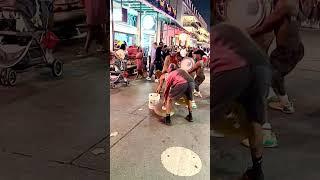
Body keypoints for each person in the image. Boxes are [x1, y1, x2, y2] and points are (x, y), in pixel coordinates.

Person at [212, 23, 272, 180]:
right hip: (263, 68)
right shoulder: (234, 27)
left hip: (233, 68)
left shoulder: (212, 33)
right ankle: (257, 172)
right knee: (255, 122)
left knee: (207, 115)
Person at [248, 0, 304, 114]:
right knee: (274, 74)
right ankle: (278, 98)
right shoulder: (292, 3)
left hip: (287, 52)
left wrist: (245, 33)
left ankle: (286, 105)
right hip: (294, 49)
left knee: (273, 75)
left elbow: (265, 27)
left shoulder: (285, 4)